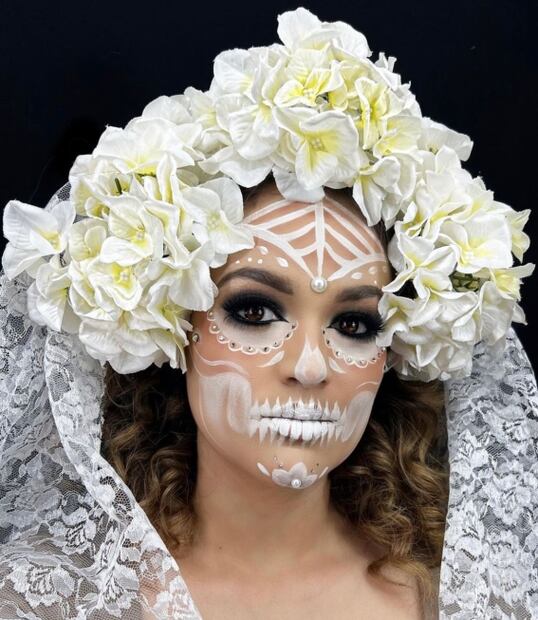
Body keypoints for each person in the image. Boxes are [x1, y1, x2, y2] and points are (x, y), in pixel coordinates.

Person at [0, 7, 536, 620]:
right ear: (173, 323)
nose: (309, 366)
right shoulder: (51, 601)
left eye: (354, 324)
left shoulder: (463, 598)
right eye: (254, 310)